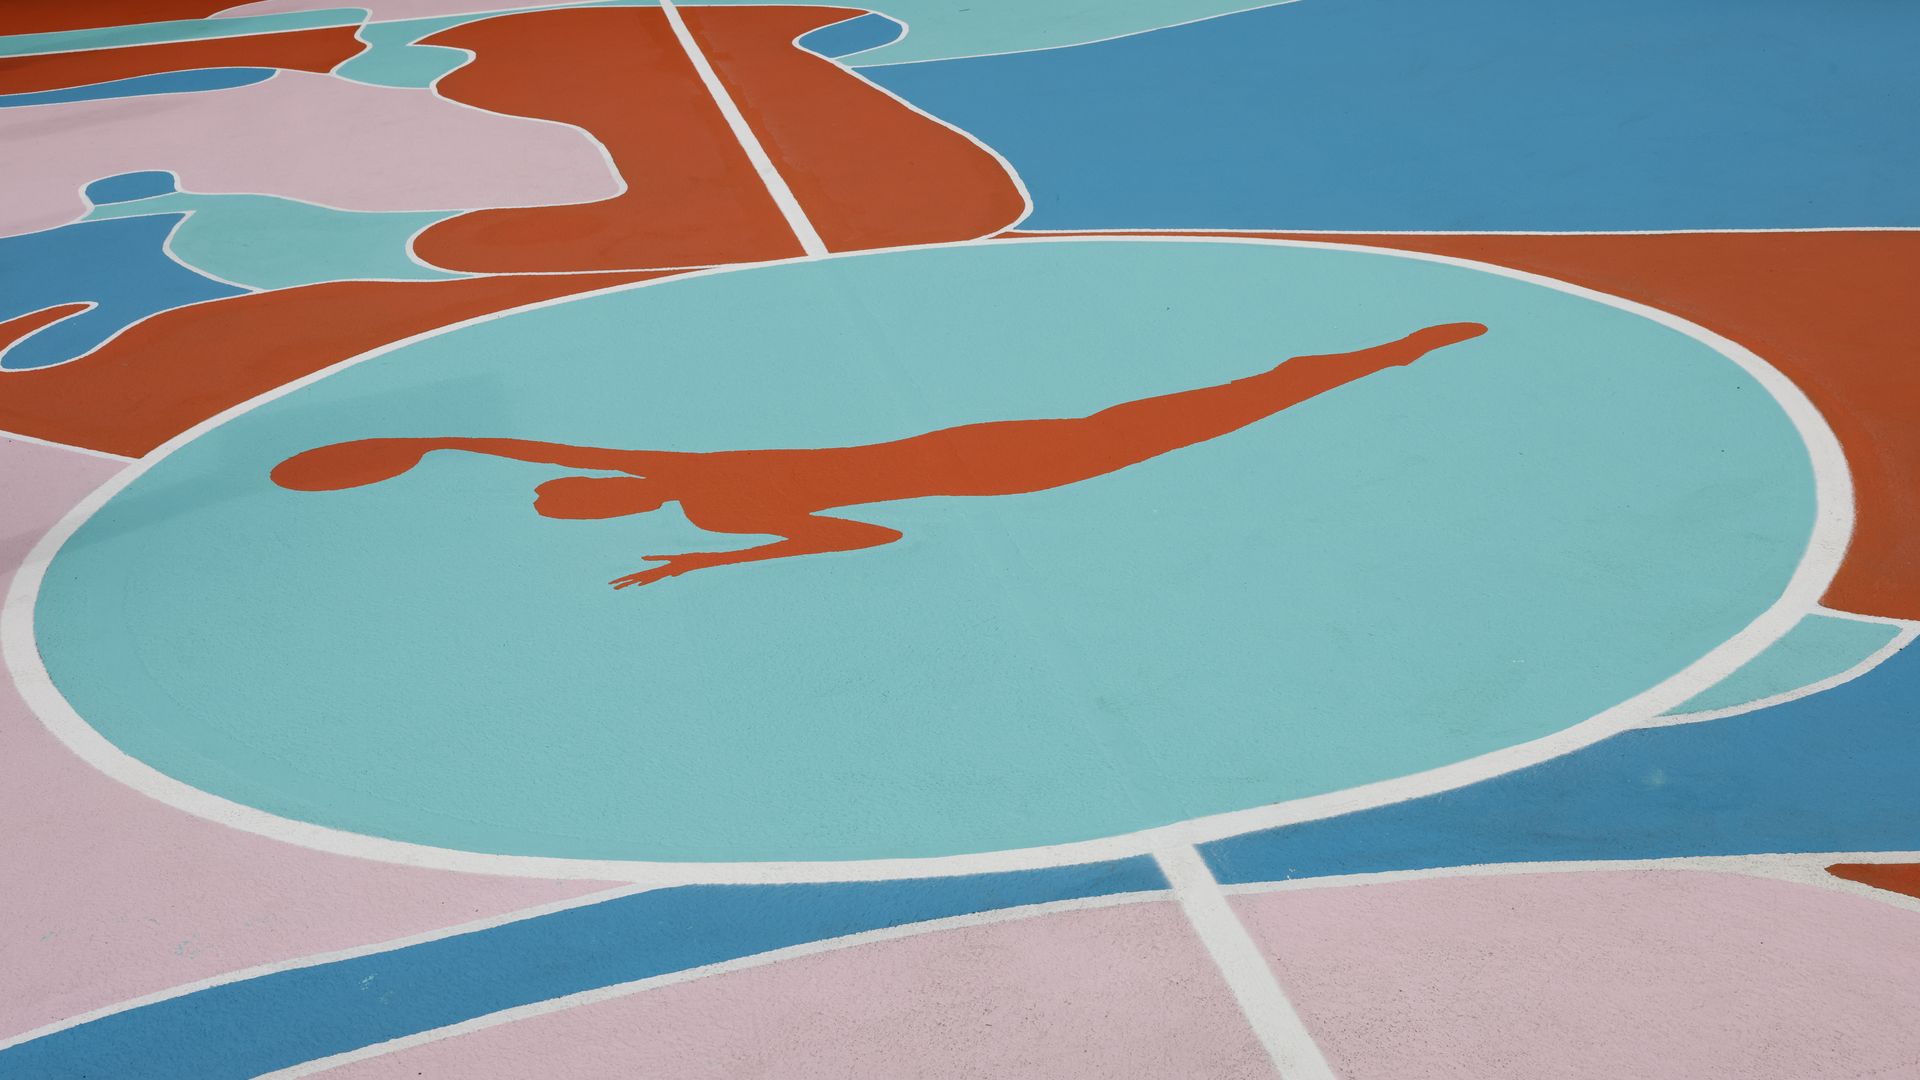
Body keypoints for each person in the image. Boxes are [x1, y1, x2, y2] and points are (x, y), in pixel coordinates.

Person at [273, 321, 1486, 589]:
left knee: (1206, 401)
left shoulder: (685, 489)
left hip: (975, 446)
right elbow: (871, 531)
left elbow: (506, 435)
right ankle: (1385, 355)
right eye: (588, 494)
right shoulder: (696, 506)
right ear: (609, 502)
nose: (593, 480)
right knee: (1212, 411)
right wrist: (688, 569)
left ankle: (1373, 356)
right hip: (1001, 469)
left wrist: (423, 437)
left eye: (582, 487)